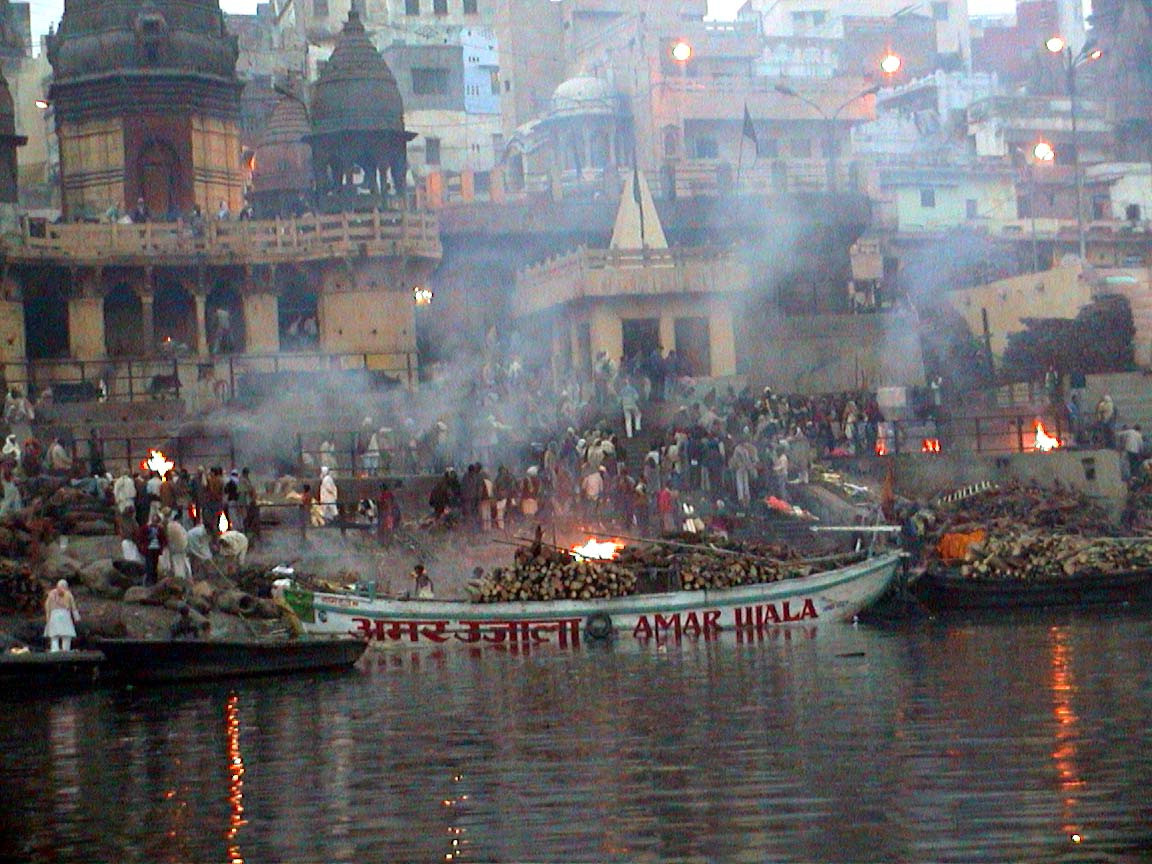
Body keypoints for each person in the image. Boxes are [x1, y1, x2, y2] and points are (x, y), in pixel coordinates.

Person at [44, 580, 80, 652]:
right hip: (63, 615)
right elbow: (73, 606)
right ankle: (64, 649)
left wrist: (48, 617)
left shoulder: (52, 594)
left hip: (56, 615)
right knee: (65, 634)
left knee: (55, 634)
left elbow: (47, 606)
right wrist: (76, 617)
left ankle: (56, 649)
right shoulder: (68, 594)